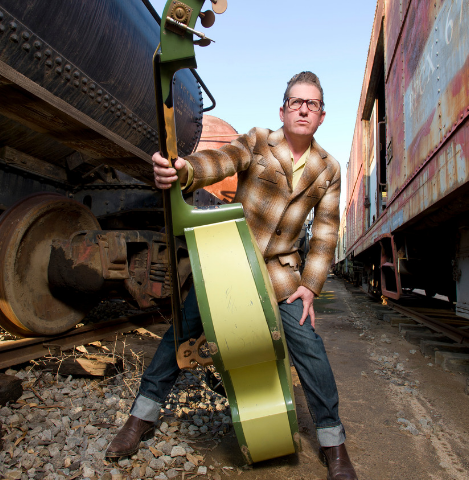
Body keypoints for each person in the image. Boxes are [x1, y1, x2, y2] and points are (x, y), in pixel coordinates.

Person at [106, 71, 358, 480]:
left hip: (281, 275)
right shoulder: (258, 140)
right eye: (296, 101)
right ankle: (141, 418)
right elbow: (220, 161)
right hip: (231, 265)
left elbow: (327, 232)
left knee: (310, 348)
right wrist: (184, 170)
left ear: (322, 116)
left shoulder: (328, 169)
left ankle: (334, 445)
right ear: (283, 109)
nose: (303, 109)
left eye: (312, 104)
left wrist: (311, 287)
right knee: (182, 331)